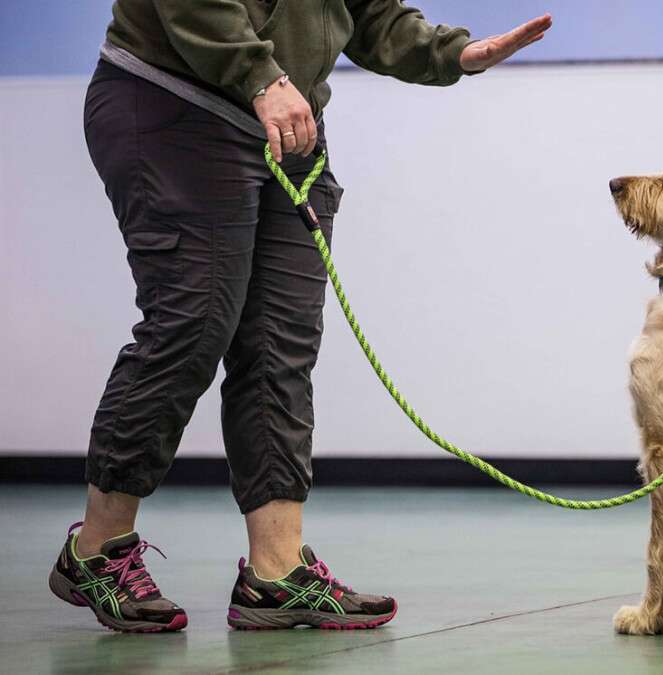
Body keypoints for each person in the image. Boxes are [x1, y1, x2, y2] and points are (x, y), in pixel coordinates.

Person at [48, 0, 551, 633]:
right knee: (192, 325)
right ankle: (97, 546)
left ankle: (276, 572)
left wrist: (451, 53)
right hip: (173, 103)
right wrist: (263, 77)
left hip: (285, 124)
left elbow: (370, 14)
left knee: (279, 344)